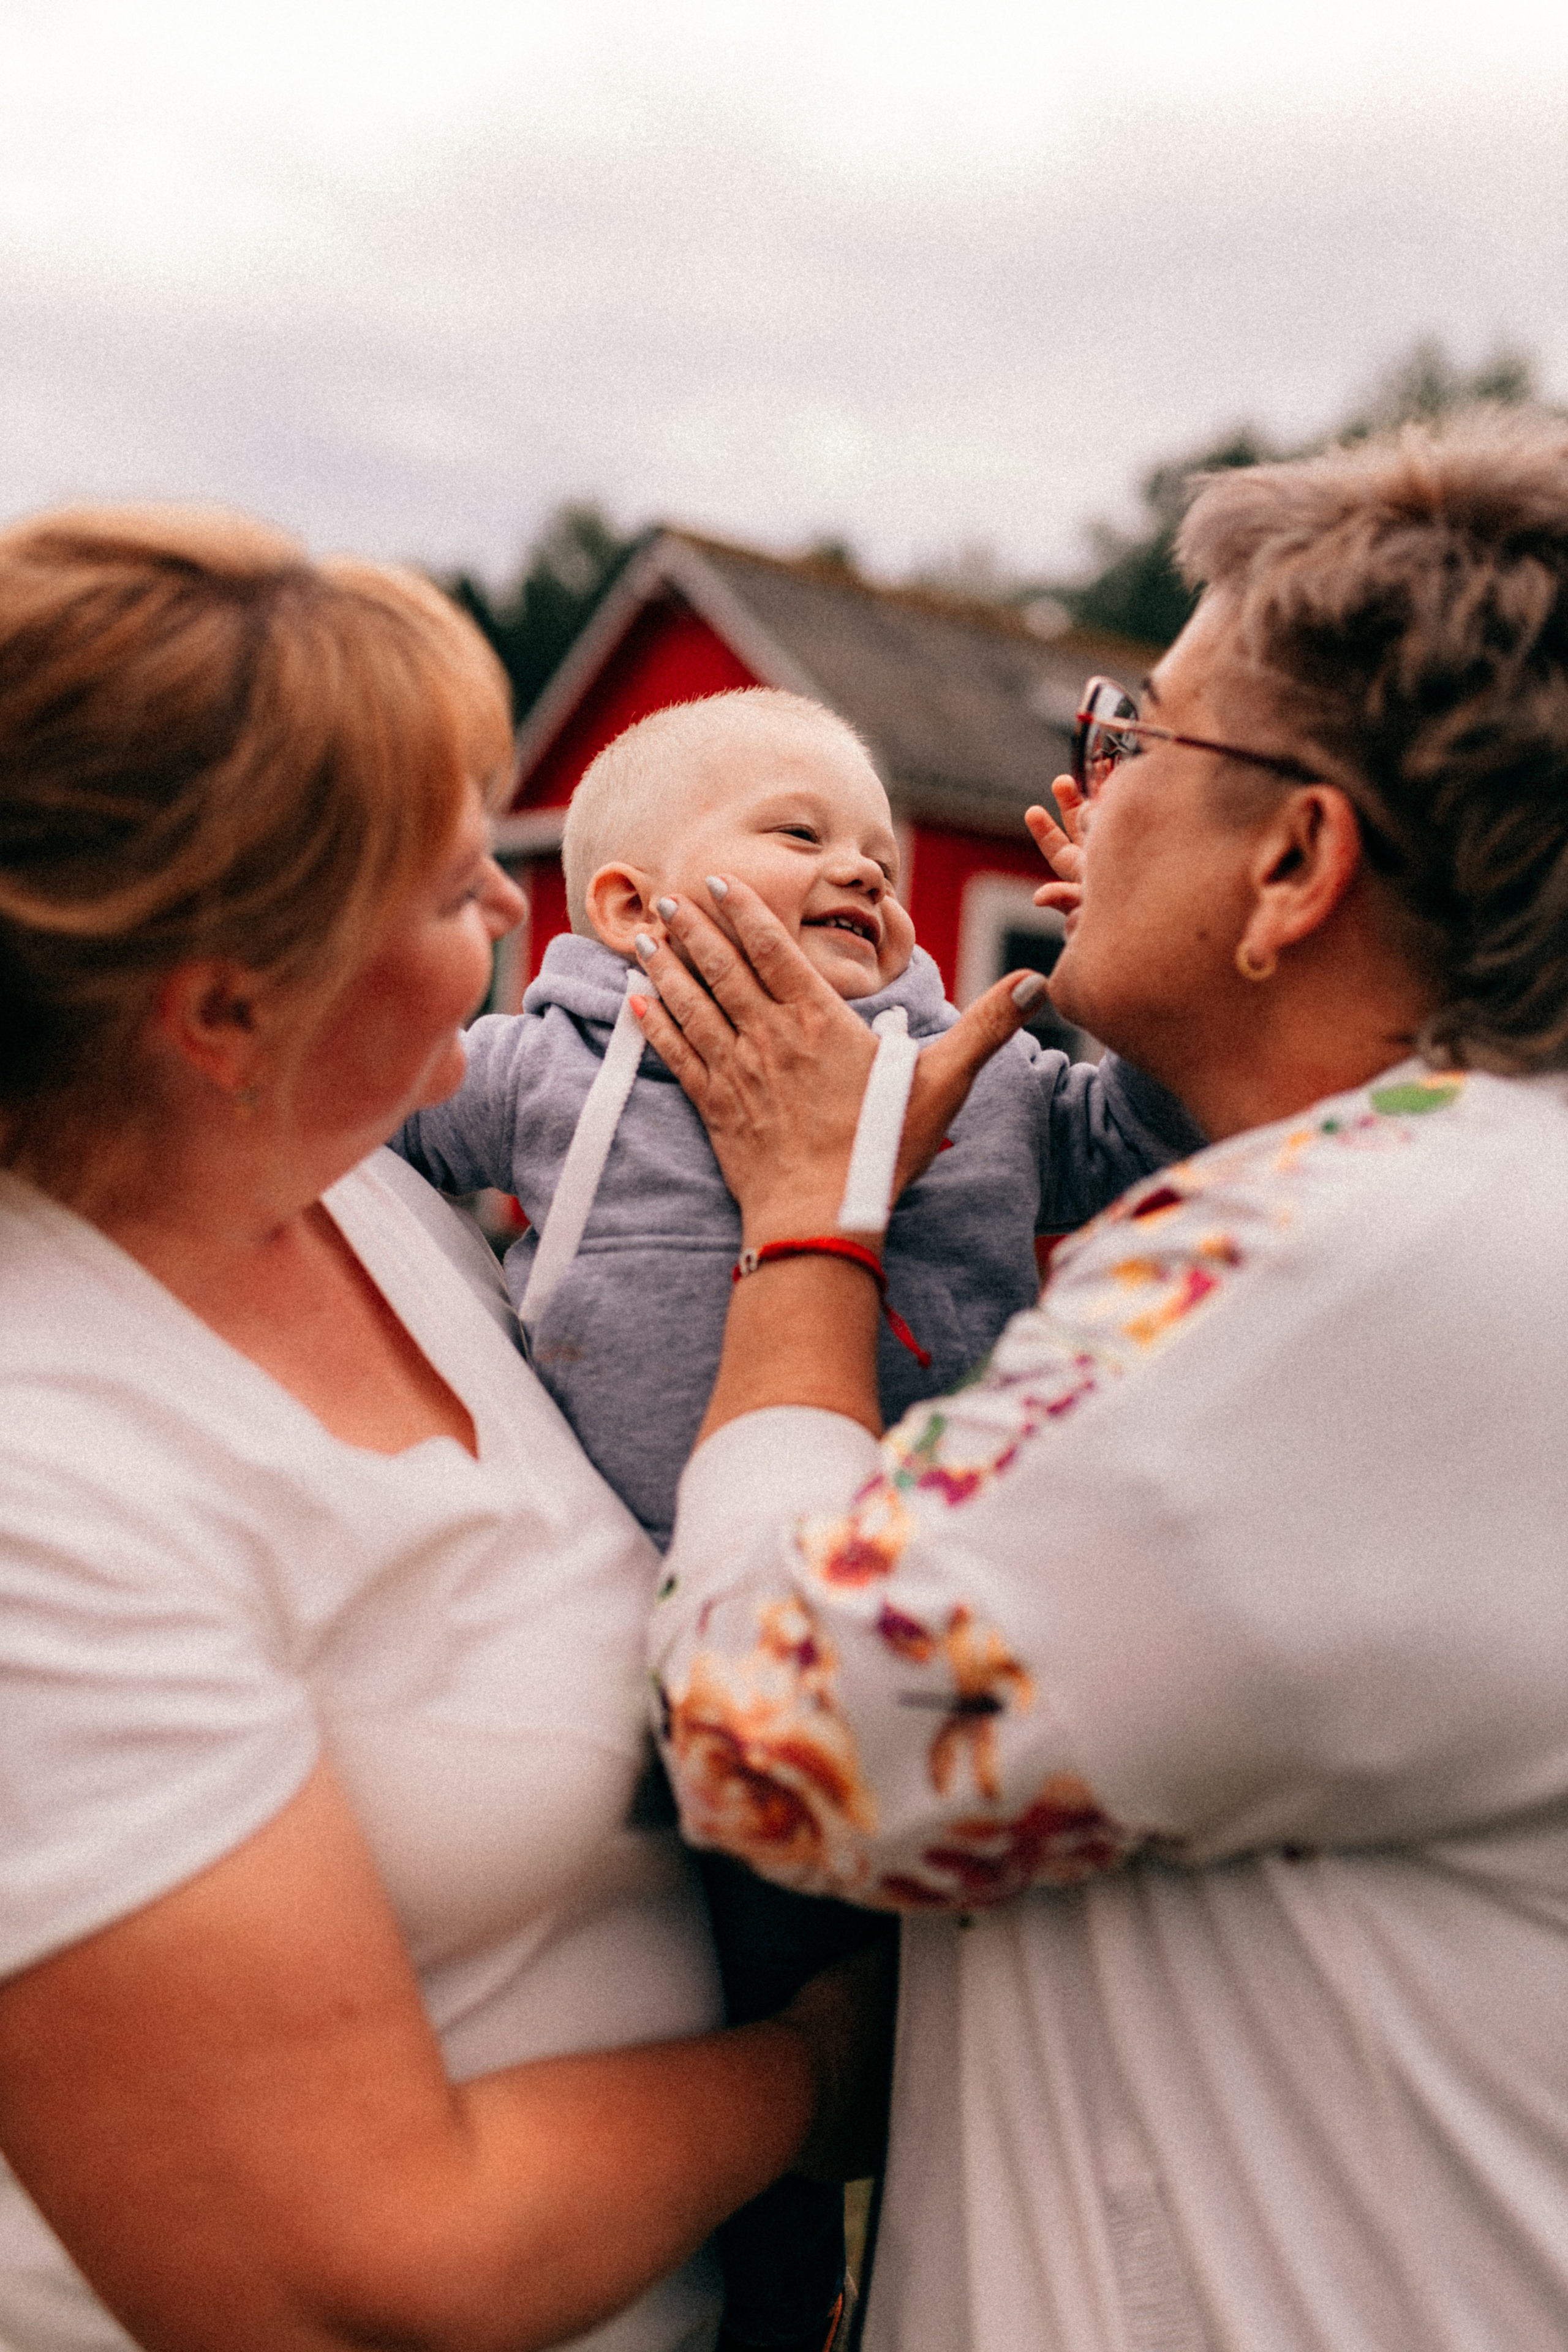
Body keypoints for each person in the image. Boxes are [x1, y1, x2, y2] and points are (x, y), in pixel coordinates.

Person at [635, 405, 1568, 2351]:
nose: (1099, 793)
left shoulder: (1324, 1273)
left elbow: (768, 1735)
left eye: (1140, 740)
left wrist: (812, 1222)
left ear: (1296, 859)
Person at [0, 505, 889, 2352]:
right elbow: (353, 2269)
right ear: (228, 1005)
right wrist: (816, 2072)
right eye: (449, 885)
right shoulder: (41, 1467)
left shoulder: (361, 1194)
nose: (515, 912)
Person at [393, 687, 1200, 2351]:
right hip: (627, 1651)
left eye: (880, 855)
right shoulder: (546, 1064)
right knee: (698, 2009)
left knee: (926, 2052)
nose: (862, 871)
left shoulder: (976, 1080)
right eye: (798, 833)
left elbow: (1144, 1139)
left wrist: (1144, 966)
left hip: (883, 1632)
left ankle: (876, 2293)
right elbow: (368, 1107)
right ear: (626, 908)